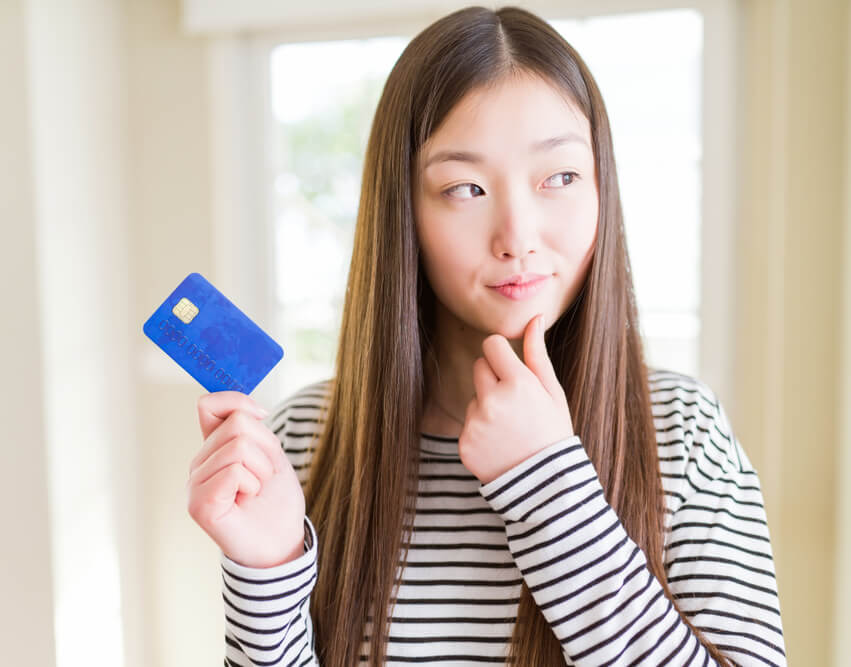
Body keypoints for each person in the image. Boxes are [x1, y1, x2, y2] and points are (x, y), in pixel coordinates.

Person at [186, 5, 786, 666]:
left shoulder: (683, 434)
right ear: (403, 212)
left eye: (560, 177)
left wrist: (548, 481)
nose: (519, 236)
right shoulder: (304, 438)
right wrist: (268, 571)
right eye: (465, 188)